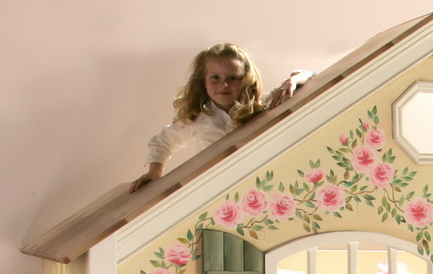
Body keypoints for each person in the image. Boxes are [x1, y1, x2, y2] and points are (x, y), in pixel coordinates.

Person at [130, 43, 313, 192]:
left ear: (246, 80)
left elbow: (310, 75)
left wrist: (292, 81)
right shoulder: (199, 118)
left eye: (233, 78)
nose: (223, 84)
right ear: (203, 81)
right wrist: (155, 172)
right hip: (214, 190)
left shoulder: (263, 105)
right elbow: (162, 141)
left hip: (260, 185)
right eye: (215, 77)